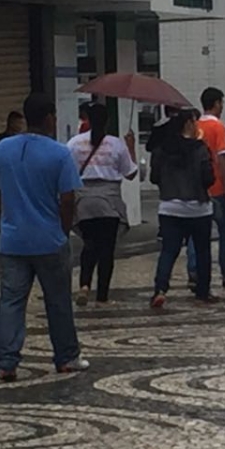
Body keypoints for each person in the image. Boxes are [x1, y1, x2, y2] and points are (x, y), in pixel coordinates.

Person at [0, 94, 89, 381]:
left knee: (11, 301)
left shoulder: (3, 149)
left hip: (13, 239)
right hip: (48, 239)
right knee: (57, 301)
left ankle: (7, 362)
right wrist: (63, 230)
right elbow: (68, 198)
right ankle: (66, 357)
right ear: (48, 119)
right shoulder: (58, 153)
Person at [66, 103, 139, 306]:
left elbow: (66, 172)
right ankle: (102, 296)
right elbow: (131, 173)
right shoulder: (116, 144)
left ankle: (84, 285)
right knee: (106, 249)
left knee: (89, 244)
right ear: (107, 120)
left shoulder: (74, 143)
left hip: (84, 202)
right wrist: (131, 148)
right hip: (109, 202)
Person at [149, 108, 218, 307]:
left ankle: (160, 289)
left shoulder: (162, 150)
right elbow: (208, 178)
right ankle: (203, 291)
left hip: (170, 207)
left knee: (169, 251)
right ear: (188, 124)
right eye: (195, 122)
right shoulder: (200, 149)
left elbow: (154, 178)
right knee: (203, 251)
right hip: (198, 208)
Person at [183, 88, 225, 291]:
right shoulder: (218, 127)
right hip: (217, 187)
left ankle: (193, 271)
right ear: (217, 103)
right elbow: (221, 159)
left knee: (195, 233)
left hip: (197, 188)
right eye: (221, 103)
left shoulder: (194, 125)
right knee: (224, 232)